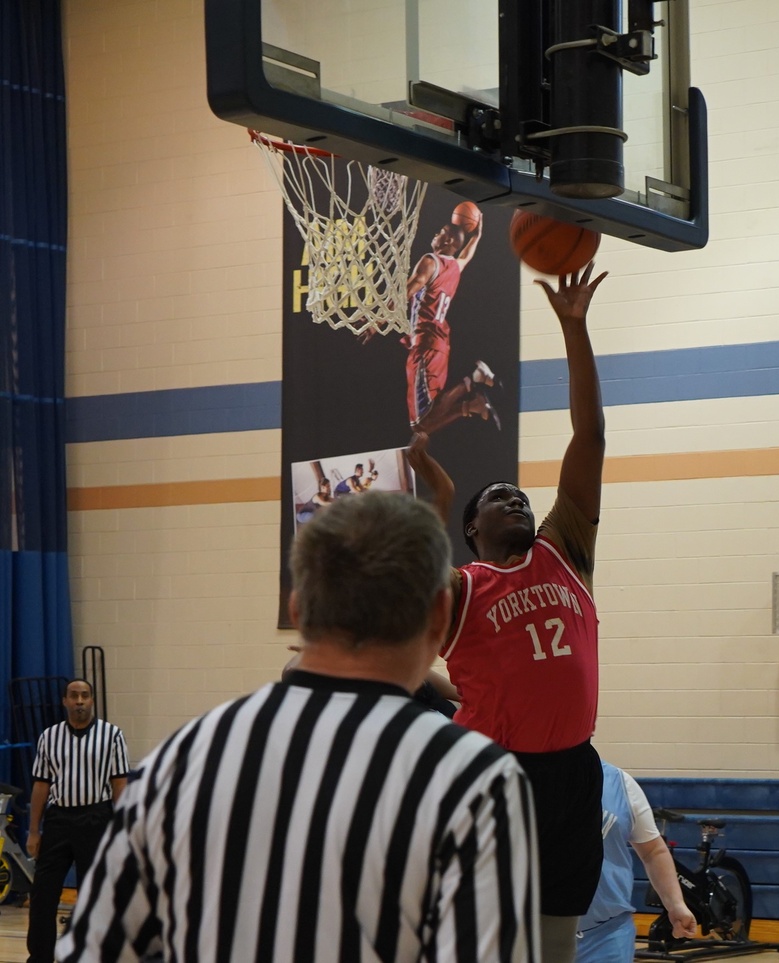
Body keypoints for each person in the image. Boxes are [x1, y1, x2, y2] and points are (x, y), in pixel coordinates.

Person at [58, 492, 540, 963]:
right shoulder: (476, 780)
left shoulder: (178, 759)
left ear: (297, 610)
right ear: (440, 616)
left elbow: (93, 949)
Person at [406, 263, 608, 963]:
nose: (517, 498)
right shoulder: (463, 585)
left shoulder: (566, 551)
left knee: (557, 938)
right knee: (491, 934)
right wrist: (437, 489)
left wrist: (573, 329)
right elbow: (417, 565)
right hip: (498, 770)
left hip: (574, 769)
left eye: (522, 494)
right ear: (472, 528)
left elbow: (590, 441)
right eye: (499, 498)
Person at [26, 678, 129, 963]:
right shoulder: (49, 736)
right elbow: (40, 785)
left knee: (95, 896)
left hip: (97, 818)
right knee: (43, 893)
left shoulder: (112, 735)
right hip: (58, 820)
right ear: (65, 701)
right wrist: (34, 831)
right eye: (74, 696)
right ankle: (40, 957)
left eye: (85, 695)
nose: (80, 701)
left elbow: (119, 783)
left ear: (92, 700)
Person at [576, 760, 697, 962]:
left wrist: (675, 903)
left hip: (606, 935)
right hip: (534, 931)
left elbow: (653, 851)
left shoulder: (619, 782)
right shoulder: (519, 778)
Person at [401, 211, 501, 435]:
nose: (436, 235)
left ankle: (473, 378)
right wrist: (477, 236)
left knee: (420, 424)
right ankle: (472, 403)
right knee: (427, 417)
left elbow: (406, 292)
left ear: (447, 241)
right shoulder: (455, 267)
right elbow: (466, 256)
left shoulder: (430, 261)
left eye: (440, 233)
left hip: (425, 342)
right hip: (440, 343)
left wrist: (376, 318)